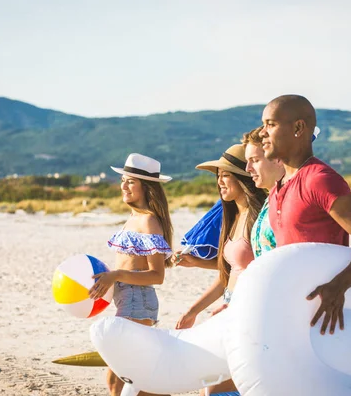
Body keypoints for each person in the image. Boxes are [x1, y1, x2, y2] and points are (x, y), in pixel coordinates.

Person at [259, 95, 351, 335]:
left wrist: (337, 287)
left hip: (323, 316)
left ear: (299, 127)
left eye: (270, 124)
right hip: (290, 311)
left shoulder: (319, 180)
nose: (262, 133)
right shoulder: (278, 185)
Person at [175, 144, 267, 396]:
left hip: (247, 314)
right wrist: (192, 311)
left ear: (243, 177)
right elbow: (228, 276)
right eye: (218, 176)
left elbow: (263, 273)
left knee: (218, 387)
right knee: (211, 385)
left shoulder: (258, 220)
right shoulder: (234, 217)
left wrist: (238, 308)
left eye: (226, 175)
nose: (220, 182)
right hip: (227, 312)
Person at [88, 153, 174, 396]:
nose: (123, 186)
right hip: (127, 302)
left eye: (131, 181)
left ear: (147, 188)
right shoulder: (133, 220)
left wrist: (115, 275)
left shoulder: (148, 222)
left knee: (120, 379)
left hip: (138, 304)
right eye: (123, 180)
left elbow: (156, 276)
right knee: (130, 378)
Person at [242, 126, 285, 257]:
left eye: (254, 160)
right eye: (247, 161)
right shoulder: (270, 199)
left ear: (278, 158)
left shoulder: (294, 198)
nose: (247, 168)